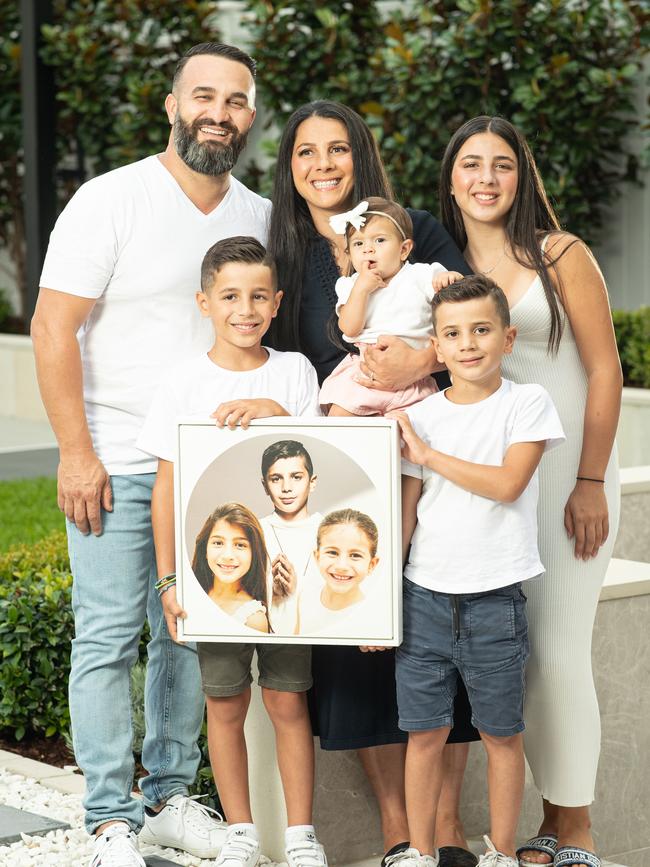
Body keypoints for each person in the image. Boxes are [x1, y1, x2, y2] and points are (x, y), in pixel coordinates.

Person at [31, 41, 273, 867]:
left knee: (187, 636)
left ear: (249, 116)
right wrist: (75, 452)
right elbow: (52, 326)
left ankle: (170, 796)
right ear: (172, 105)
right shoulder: (111, 200)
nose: (219, 111)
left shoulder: (259, 214)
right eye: (203, 95)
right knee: (105, 637)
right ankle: (107, 815)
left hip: (213, 464)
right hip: (117, 455)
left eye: (235, 99)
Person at [266, 98, 478, 867]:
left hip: (427, 446)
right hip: (345, 466)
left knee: (433, 632)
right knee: (357, 646)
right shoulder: (288, 255)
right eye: (304, 153)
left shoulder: (416, 227)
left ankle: (446, 826)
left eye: (337, 149)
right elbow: (281, 358)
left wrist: (425, 361)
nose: (322, 164)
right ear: (289, 169)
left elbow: (472, 318)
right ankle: (398, 832)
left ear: (362, 156)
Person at [438, 116, 622, 867]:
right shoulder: (436, 269)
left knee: (555, 650)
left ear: (522, 176)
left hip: (566, 479)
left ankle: (571, 824)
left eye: (502, 164)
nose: (486, 177)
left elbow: (605, 370)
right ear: (450, 177)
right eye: (472, 164)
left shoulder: (560, 254)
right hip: (484, 487)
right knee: (509, 656)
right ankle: (533, 823)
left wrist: (587, 481)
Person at [137, 236, 326, 867]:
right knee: (224, 701)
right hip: (212, 579)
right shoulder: (182, 383)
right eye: (229, 296)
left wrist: (275, 412)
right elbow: (166, 491)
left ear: (275, 303)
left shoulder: (296, 371)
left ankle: (300, 835)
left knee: (286, 699)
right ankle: (241, 831)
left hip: (285, 578)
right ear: (204, 303)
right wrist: (169, 582)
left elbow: (317, 457)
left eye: (257, 297)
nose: (244, 309)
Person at [390, 275, 565, 867]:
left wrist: (430, 455)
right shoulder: (420, 415)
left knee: (500, 734)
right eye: (453, 334)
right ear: (435, 347)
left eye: (482, 330)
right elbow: (408, 510)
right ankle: (417, 851)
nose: (468, 344)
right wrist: (384, 596)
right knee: (423, 735)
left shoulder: (527, 404)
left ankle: (501, 851)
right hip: (423, 598)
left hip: (495, 600)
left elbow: (508, 484)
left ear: (508, 338)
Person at [319, 197, 461, 416]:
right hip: (365, 373)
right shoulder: (350, 286)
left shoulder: (421, 275)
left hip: (415, 379)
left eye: (379, 240)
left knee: (417, 432)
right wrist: (361, 290)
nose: (368, 249)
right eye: (358, 243)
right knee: (340, 418)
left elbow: (459, 298)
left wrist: (449, 278)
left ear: (404, 250)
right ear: (349, 255)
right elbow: (349, 328)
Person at [259, 440, 323, 634]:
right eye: (276, 478)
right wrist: (273, 592)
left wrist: (296, 588)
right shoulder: (254, 530)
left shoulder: (329, 531)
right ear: (265, 485)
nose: (286, 487)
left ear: (312, 482)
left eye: (296, 477)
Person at [192, 504, 271, 632]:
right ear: (205, 549)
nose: (228, 555)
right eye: (218, 543)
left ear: (254, 554)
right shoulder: (190, 594)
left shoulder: (253, 618)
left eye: (240, 545)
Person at [300, 509, 380, 636]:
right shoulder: (302, 599)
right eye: (332, 552)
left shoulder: (374, 618)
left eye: (355, 555)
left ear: (371, 564)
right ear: (317, 556)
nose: (341, 566)